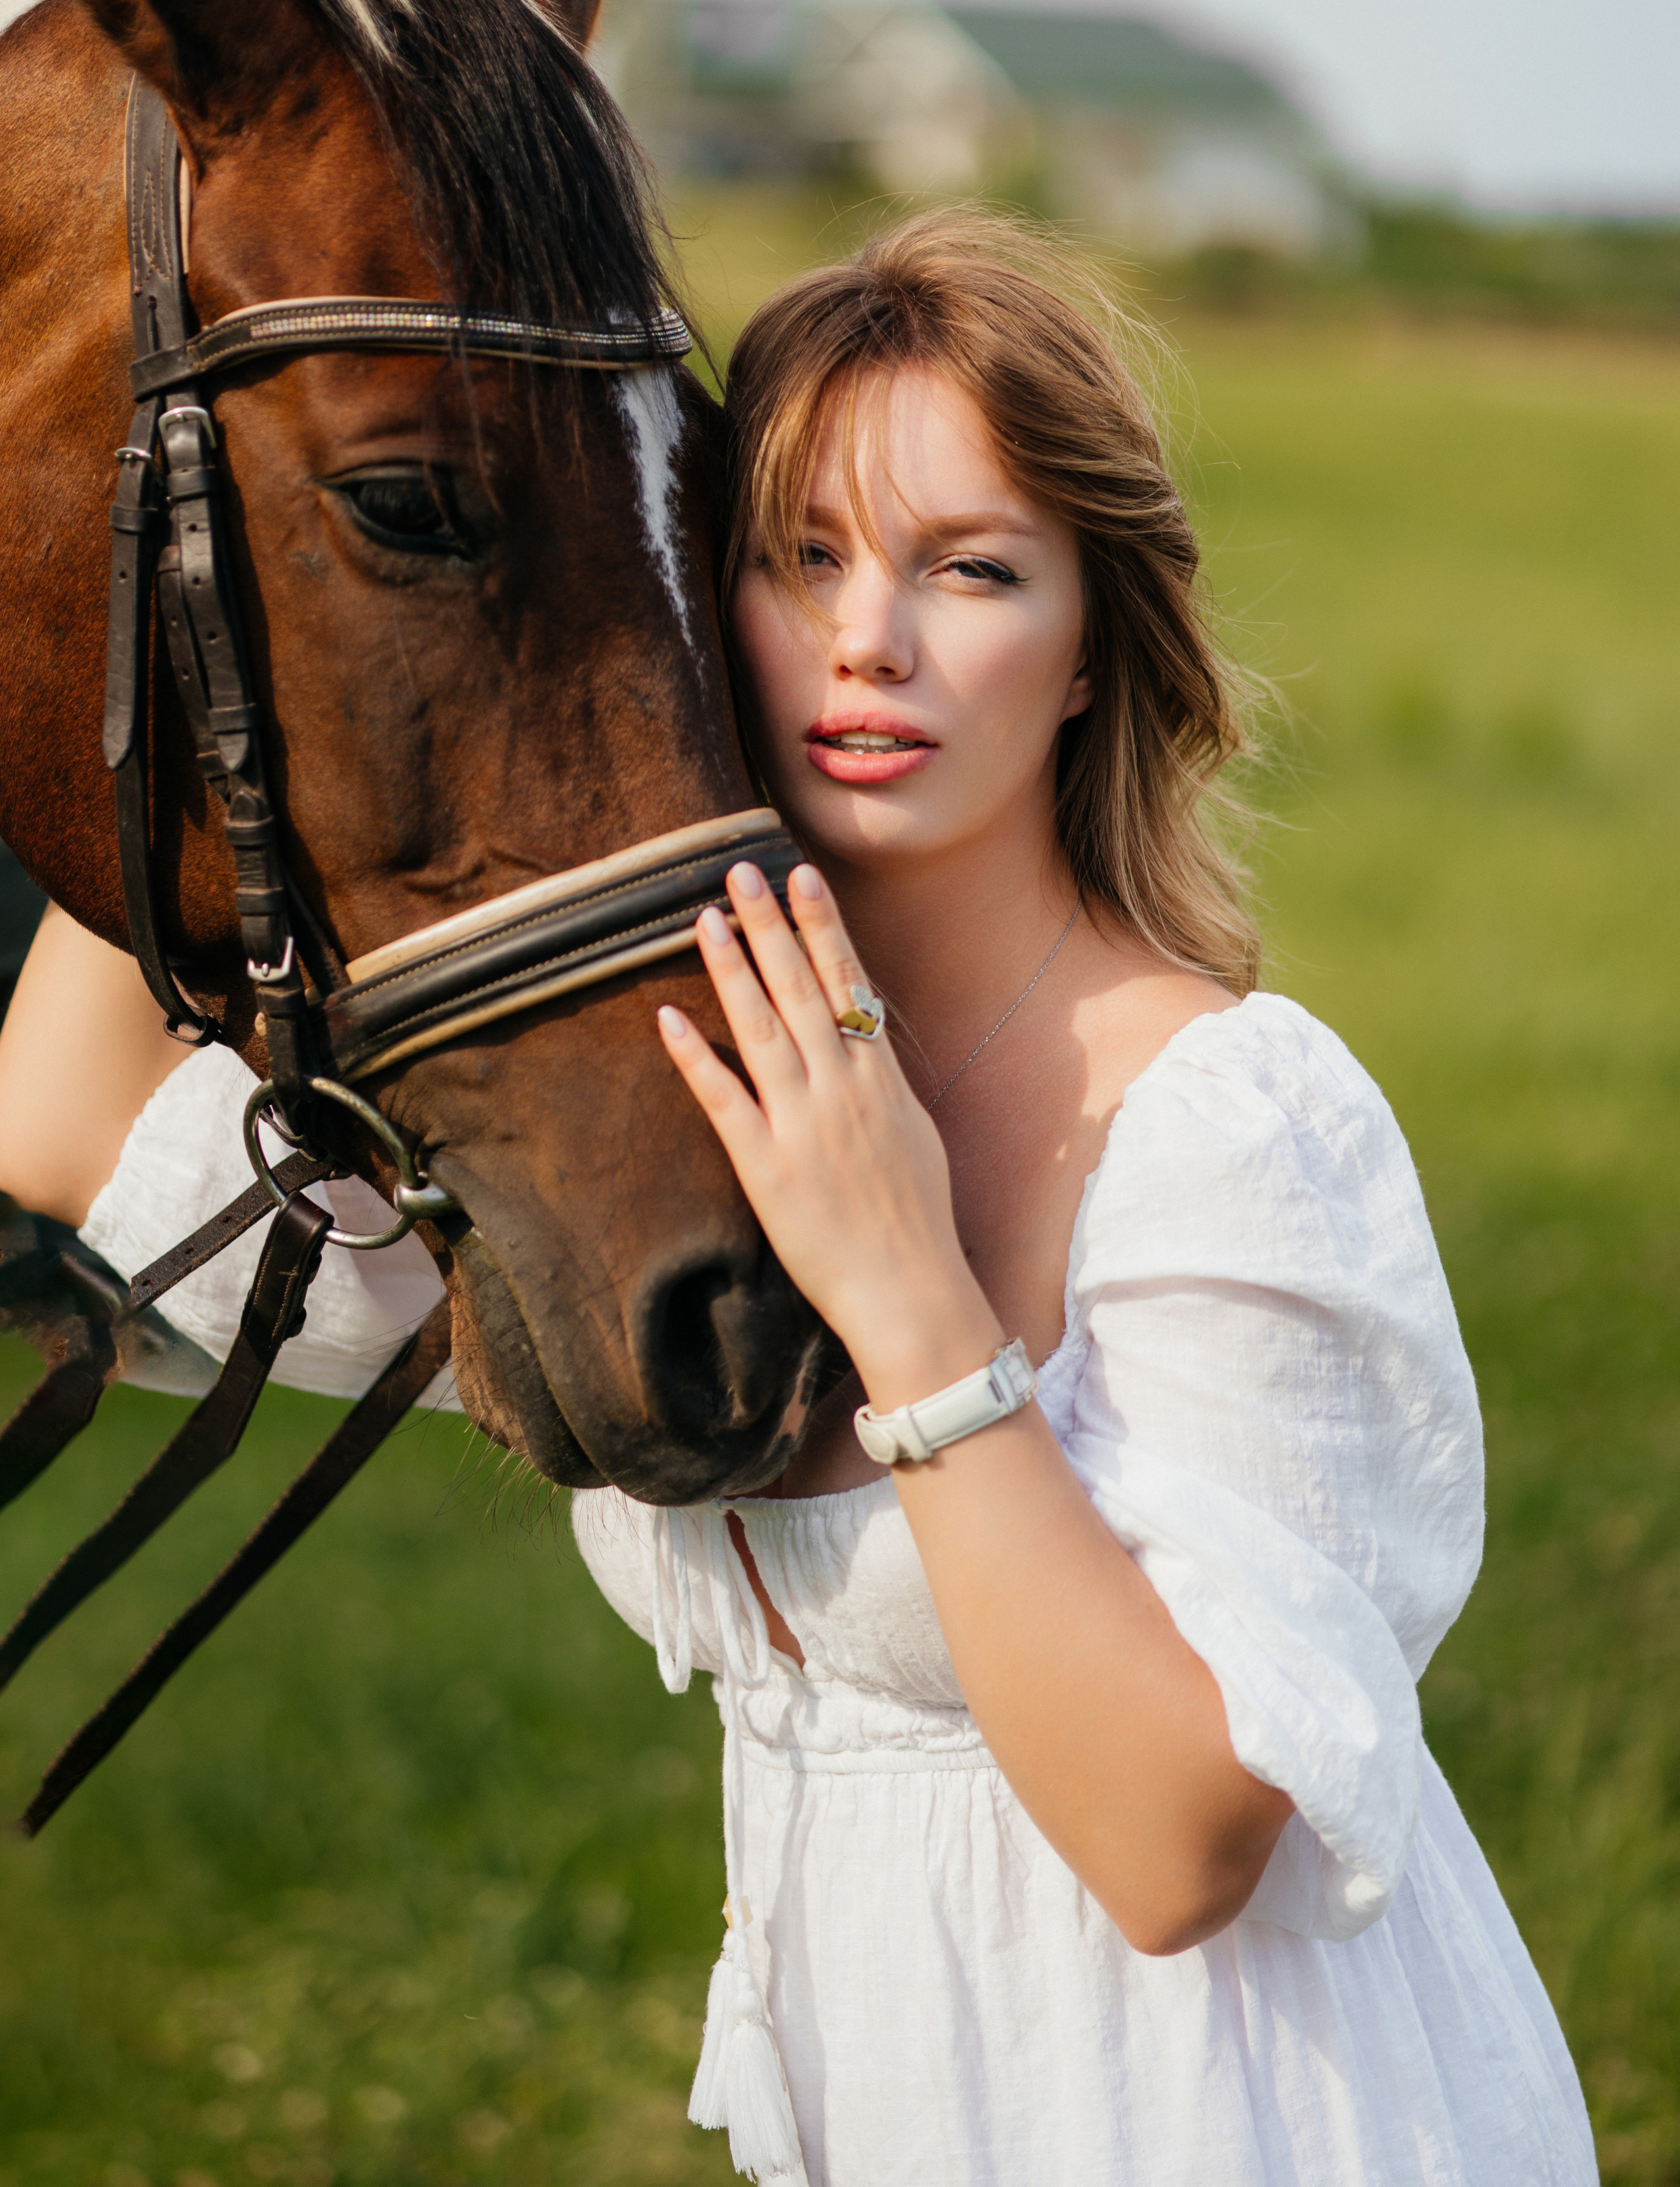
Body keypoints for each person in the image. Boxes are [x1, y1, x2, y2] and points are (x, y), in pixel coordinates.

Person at [0, 213, 1594, 2186]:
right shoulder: (665, 1107)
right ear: (689, 601)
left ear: (1092, 646)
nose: (872, 642)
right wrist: (200, 618)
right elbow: (65, 1128)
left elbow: (1183, 1844)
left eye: (973, 571)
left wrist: (903, 1282)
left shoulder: (1228, 1126)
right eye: (803, 558)